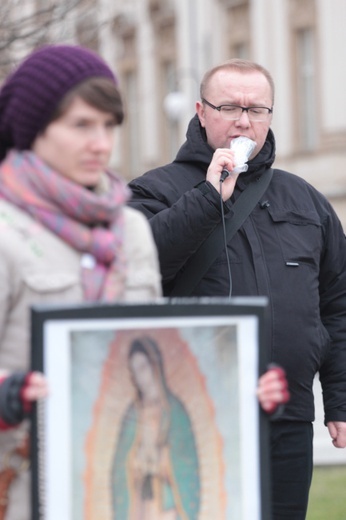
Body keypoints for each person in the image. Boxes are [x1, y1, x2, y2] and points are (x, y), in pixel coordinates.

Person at [128, 58, 346, 519]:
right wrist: (208, 198)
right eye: (229, 107)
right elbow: (139, 266)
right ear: (201, 111)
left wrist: (340, 400)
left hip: (287, 416)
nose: (244, 121)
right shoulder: (154, 190)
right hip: (194, 417)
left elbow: (337, 306)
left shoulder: (305, 200)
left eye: (257, 110)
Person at [0, 44, 162, 520]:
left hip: (117, 485)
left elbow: (156, 348)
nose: (101, 143)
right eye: (81, 125)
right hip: (21, 490)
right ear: (35, 130)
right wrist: (8, 396)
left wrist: (233, 386)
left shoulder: (130, 228)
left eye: (109, 125)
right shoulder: (4, 228)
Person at [112, 336, 200, 519]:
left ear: (155, 367)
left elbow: (188, 463)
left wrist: (162, 460)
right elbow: (120, 464)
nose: (140, 378)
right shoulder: (133, 414)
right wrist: (134, 462)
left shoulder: (175, 412)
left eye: (143, 368)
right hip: (140, 503)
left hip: (166, 503)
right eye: (134, 372)